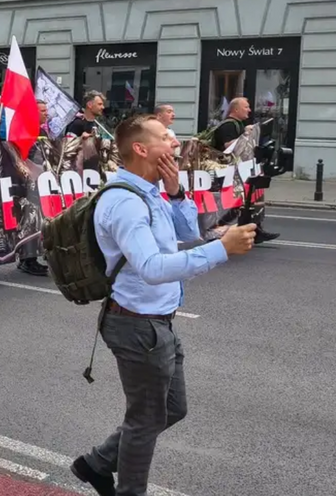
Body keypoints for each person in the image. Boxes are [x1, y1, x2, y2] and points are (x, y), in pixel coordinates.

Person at [71, 114, 256, 496]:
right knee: (145, 419)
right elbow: (153, 267)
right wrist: (221, 248)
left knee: (172, 409)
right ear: (141, 149)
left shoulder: (150, 190)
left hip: (159, 322)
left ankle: (96, 464)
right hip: (137, 326)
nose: (175, 142)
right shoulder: (125, 202)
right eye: (165, 137)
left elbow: (186, 234)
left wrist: (175, 193)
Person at [209, 97, 278, 244]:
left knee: (249, 201)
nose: (249, 110)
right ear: (235, 109)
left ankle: (255, 231)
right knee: (235, 203)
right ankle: (216, 229)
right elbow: (228, 147)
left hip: (240, 170)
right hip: (229, 172)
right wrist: (246, 134)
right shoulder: (228, 125)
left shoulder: (238, 124)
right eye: (246, 107)